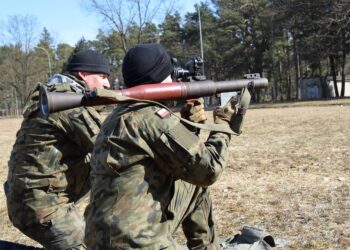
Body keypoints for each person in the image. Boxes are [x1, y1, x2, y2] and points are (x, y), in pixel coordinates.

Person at [84, 43, 248, 249]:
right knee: (199, 181)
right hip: (136, 243)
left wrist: (188, 123)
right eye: (169, 75)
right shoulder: (152, 118)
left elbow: (177, 158)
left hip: (99, 240)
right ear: (159, 78)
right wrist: (223, 125)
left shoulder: (120, 114)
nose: (173, 79)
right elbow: (208, 170)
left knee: (192, 185)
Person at [4, 49, 111, 250]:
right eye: (102, 77)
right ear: (83, 75)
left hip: (32, 200)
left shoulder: (56, 94)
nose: (107, 84)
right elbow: (108, 146)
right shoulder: (66, 101)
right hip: (40, 207)